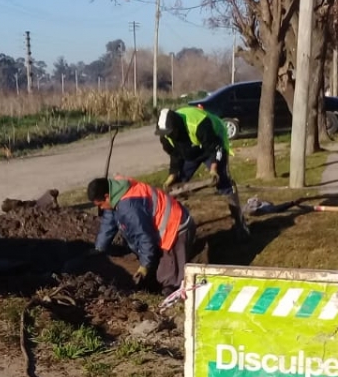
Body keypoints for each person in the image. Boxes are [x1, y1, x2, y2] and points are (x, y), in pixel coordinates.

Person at [155, 106, 250, 239]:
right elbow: (175, 156)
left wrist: (213, 170)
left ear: (177, 127)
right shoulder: (165, 135)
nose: (168, 135)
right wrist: (172, 177)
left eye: (170, 133)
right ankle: (175, 227)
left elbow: (215, 148)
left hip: (214, 142)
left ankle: (240, 223)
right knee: (175, 187)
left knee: (223, 182)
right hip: (192, 147)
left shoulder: (199, 124)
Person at [88, 176, 194, 293]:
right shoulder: (115, 192)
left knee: (169, 278)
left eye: (100, 204)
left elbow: (144, 236)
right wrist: (99, 247)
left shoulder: (129, 207)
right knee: (156, 269)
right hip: (160, 226)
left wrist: (144, 266)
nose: (100, 208)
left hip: (175, 227)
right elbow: (109, 220)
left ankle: (172, 301)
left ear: (106, 196)